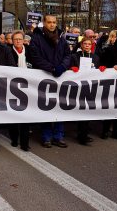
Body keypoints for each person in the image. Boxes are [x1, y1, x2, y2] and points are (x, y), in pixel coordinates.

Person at [29, 14, 71, 148]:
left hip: (60, 77)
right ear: (44, 23)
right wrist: (51, 68)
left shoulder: (61, 38)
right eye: (49, 22)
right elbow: (34, 57)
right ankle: (46, 136)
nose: (52, 25)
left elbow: (67, 55)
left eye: (54, 22)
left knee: (60, 106)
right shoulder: (37, 38)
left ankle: (58, 136)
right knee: (47, 107)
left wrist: (62, 67)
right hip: (44, 77)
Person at [70, 37, 102, 145]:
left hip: (91, 87)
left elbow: (98, 69)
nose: (87, 45)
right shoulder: (75, 56)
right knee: (81, 111)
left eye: (89, 44)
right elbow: (70, 68)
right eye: (85, 43)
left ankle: (84, 133)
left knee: (88, 111)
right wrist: (72, 69)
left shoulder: (96, 57)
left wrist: (101, 69)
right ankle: (81, 135)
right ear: (81, 45)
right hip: (78, 87)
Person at [9, 30, 32, 151]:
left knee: (25, 116)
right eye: (15, 39)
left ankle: (24, 142)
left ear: (24, 40)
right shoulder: (8, 51)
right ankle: (14, 138)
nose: (18, 41)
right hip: (12, 87)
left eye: (20, 39)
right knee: (14, 115)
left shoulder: (30, 51)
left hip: (28, 87)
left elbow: (37, 64)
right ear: (12, 41)